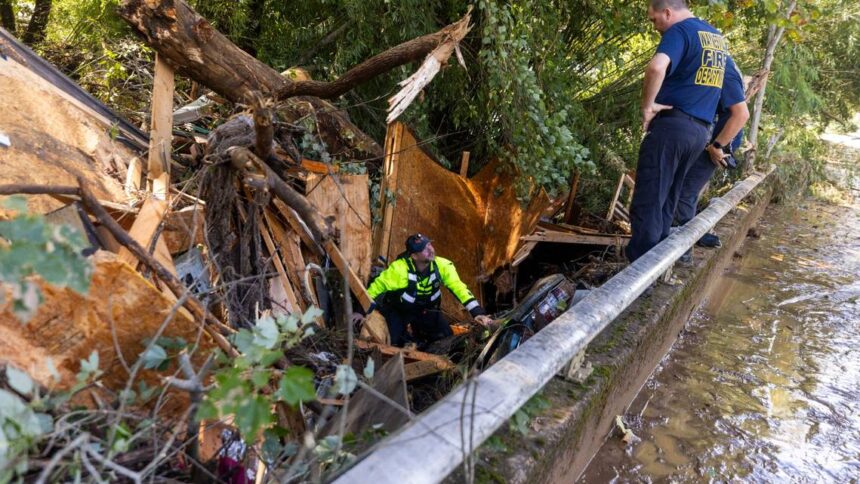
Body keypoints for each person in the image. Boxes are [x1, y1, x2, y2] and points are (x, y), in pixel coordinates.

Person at [627, 0, 737, 262]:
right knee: (668, 202)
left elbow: (656, 67)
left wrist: (648, 106)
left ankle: (638, 273)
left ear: (668, 12)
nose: (655, 27)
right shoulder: (715, 38)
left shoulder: (679, 31)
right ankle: (658, 266)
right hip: (699, 133)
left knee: (649, 200)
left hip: (672, 127)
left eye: (654, 20)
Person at [356, 233, 493, 348]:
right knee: (393, 343)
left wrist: (477, 313)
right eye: (424, 249)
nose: (431, 250)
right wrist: (360, 311)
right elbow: (375, 288)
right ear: (414, 256)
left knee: (447, 338)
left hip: (428, 311)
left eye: (429, 245)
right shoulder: (399, 269)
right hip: (400, 311)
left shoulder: (442, 266)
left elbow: (459, 287)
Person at [676, 62, 749, 262]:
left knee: (685, 192)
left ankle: (683, 253)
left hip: (718, 142)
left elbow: (741, 114)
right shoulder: (717, 65)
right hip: (705, 138)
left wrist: (717, 146)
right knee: (683, 190)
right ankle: (686, 242)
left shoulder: (724, 70)